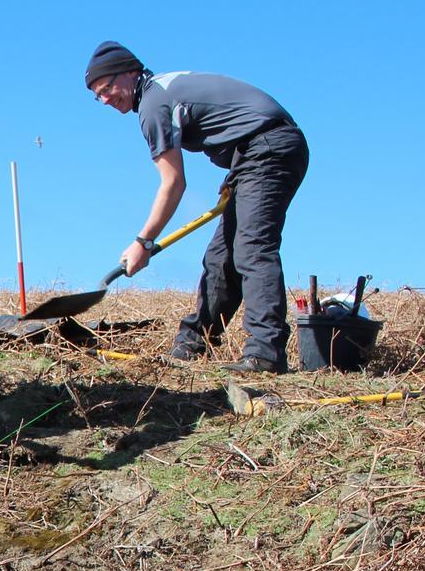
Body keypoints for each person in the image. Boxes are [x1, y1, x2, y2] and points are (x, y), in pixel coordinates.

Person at [85, 42, 310, 373]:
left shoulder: (152, 103)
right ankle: (193, 345)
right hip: (255, 154)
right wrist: (238, 171)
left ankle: (266, 353)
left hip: (269, 148)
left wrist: (144, 241)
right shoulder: (160, 90)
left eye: (107, 88)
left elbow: (173, 183)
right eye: (97, 95)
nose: (105, 99)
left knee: (251, 248)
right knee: (222, 258)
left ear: (131, 72)